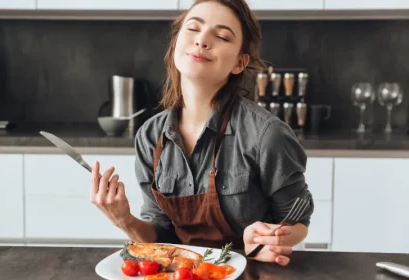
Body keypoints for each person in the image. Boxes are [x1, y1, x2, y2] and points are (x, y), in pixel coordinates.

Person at [90, 0, 314, 267]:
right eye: (193, 29)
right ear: (175, 44)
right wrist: (124, 220)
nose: (202, 41)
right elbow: (160, 236)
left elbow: (298, 220)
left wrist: (270, 238)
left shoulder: (267, 135)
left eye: (221, 36)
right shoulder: (151, 136)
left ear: (240, 63)